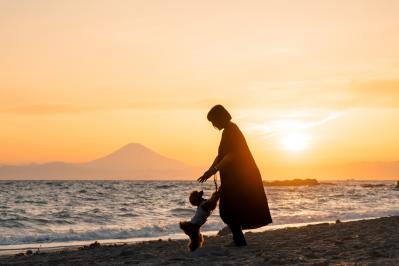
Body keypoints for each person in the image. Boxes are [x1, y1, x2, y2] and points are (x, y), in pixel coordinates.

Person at [198, 104, 272, 247]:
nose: (213, 125)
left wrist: (214, 170)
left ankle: (239, 240)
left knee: (227, 210)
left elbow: (231, 156)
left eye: (213, 121)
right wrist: (209, 170)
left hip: (240, 177)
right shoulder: (228, 131)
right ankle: (239, 239)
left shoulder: (232, 130)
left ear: (219, 118)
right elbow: (221, 155)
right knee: (231, 209)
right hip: (234, 177)